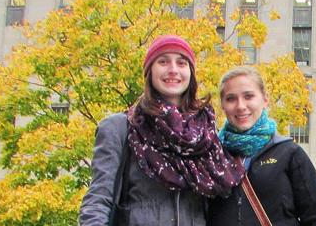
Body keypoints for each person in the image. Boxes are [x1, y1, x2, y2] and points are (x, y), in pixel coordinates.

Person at [79, 35, 245, 226]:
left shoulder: (206, 135)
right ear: (150, 71)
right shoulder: (120, 128)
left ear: (190, 73)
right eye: (163, 62)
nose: (173, 70)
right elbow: (98, 200)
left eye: (181, 63)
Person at [207, 66, 316, 226]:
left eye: (248, 96)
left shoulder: (289, 153)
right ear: (222, 105)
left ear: (265, 99)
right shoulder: (211, 156)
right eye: (231, 98)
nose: (240, 105)